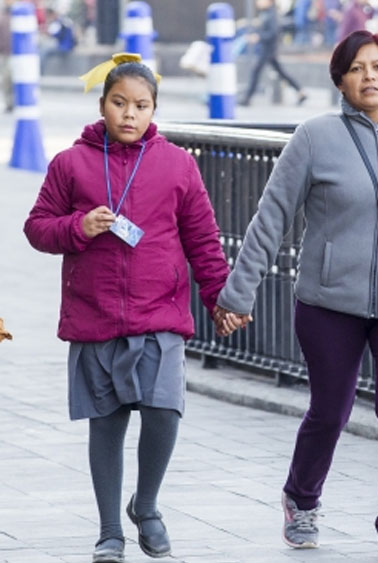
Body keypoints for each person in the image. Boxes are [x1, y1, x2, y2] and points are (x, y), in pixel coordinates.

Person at [213, 29, 378, 562]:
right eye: (356, 68)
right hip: (328, 301)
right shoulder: (313, 136)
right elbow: (271, 218)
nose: (369, 76)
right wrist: (239, 292)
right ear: (340, 80)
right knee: (331, 408)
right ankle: (301, 498)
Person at [23, 55, 231, 563]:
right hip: (95, 317)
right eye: (120, 103)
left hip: (159, 316)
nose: (129, 114)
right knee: (107, 424)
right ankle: (110, 531)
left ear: (154, 108)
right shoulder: (70, 163)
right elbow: (36, 227)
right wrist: (77, 227)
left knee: (165, 412)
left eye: (141, 105)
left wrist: (220, 298)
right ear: (102, 106)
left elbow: (203, 239)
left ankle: (148, 505)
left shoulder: (177, 164)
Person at [239, 0, 308, 107]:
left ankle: (247, 98)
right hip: (268, 50)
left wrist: (258, 37)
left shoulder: (272, 14)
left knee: (256, 71)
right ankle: (300, 92)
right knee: (281, 73)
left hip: (268, 50)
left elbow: (273, 33)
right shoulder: (267, 13)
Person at [0, 0, 12, 113]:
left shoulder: (19, 15)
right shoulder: (2, 17)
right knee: (6, 80)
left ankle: (18, 102)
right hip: (5, 53)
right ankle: (9, 103)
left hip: (19, 54)